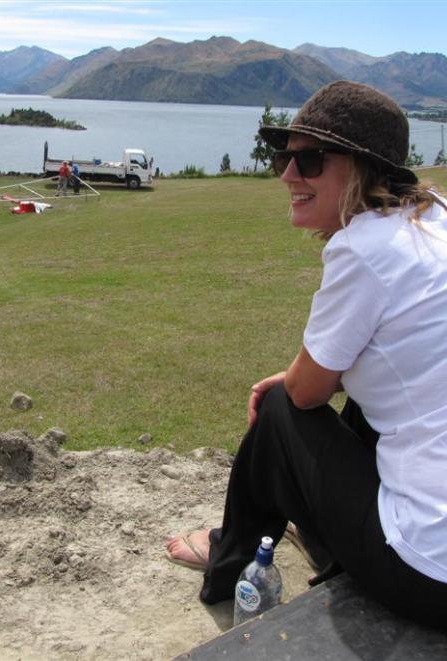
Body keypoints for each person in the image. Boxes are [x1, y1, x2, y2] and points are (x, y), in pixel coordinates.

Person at [166, 80, 447, 629]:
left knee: (277, 408)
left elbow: (303, 392)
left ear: (364, 168)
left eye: (310, 160)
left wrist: (296, 380)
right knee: (361, 404)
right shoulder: (434, 216)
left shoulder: (364, 248)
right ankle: (316, 533)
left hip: (429, 572)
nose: (289, 175)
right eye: (283, 158)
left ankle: (230, 558)